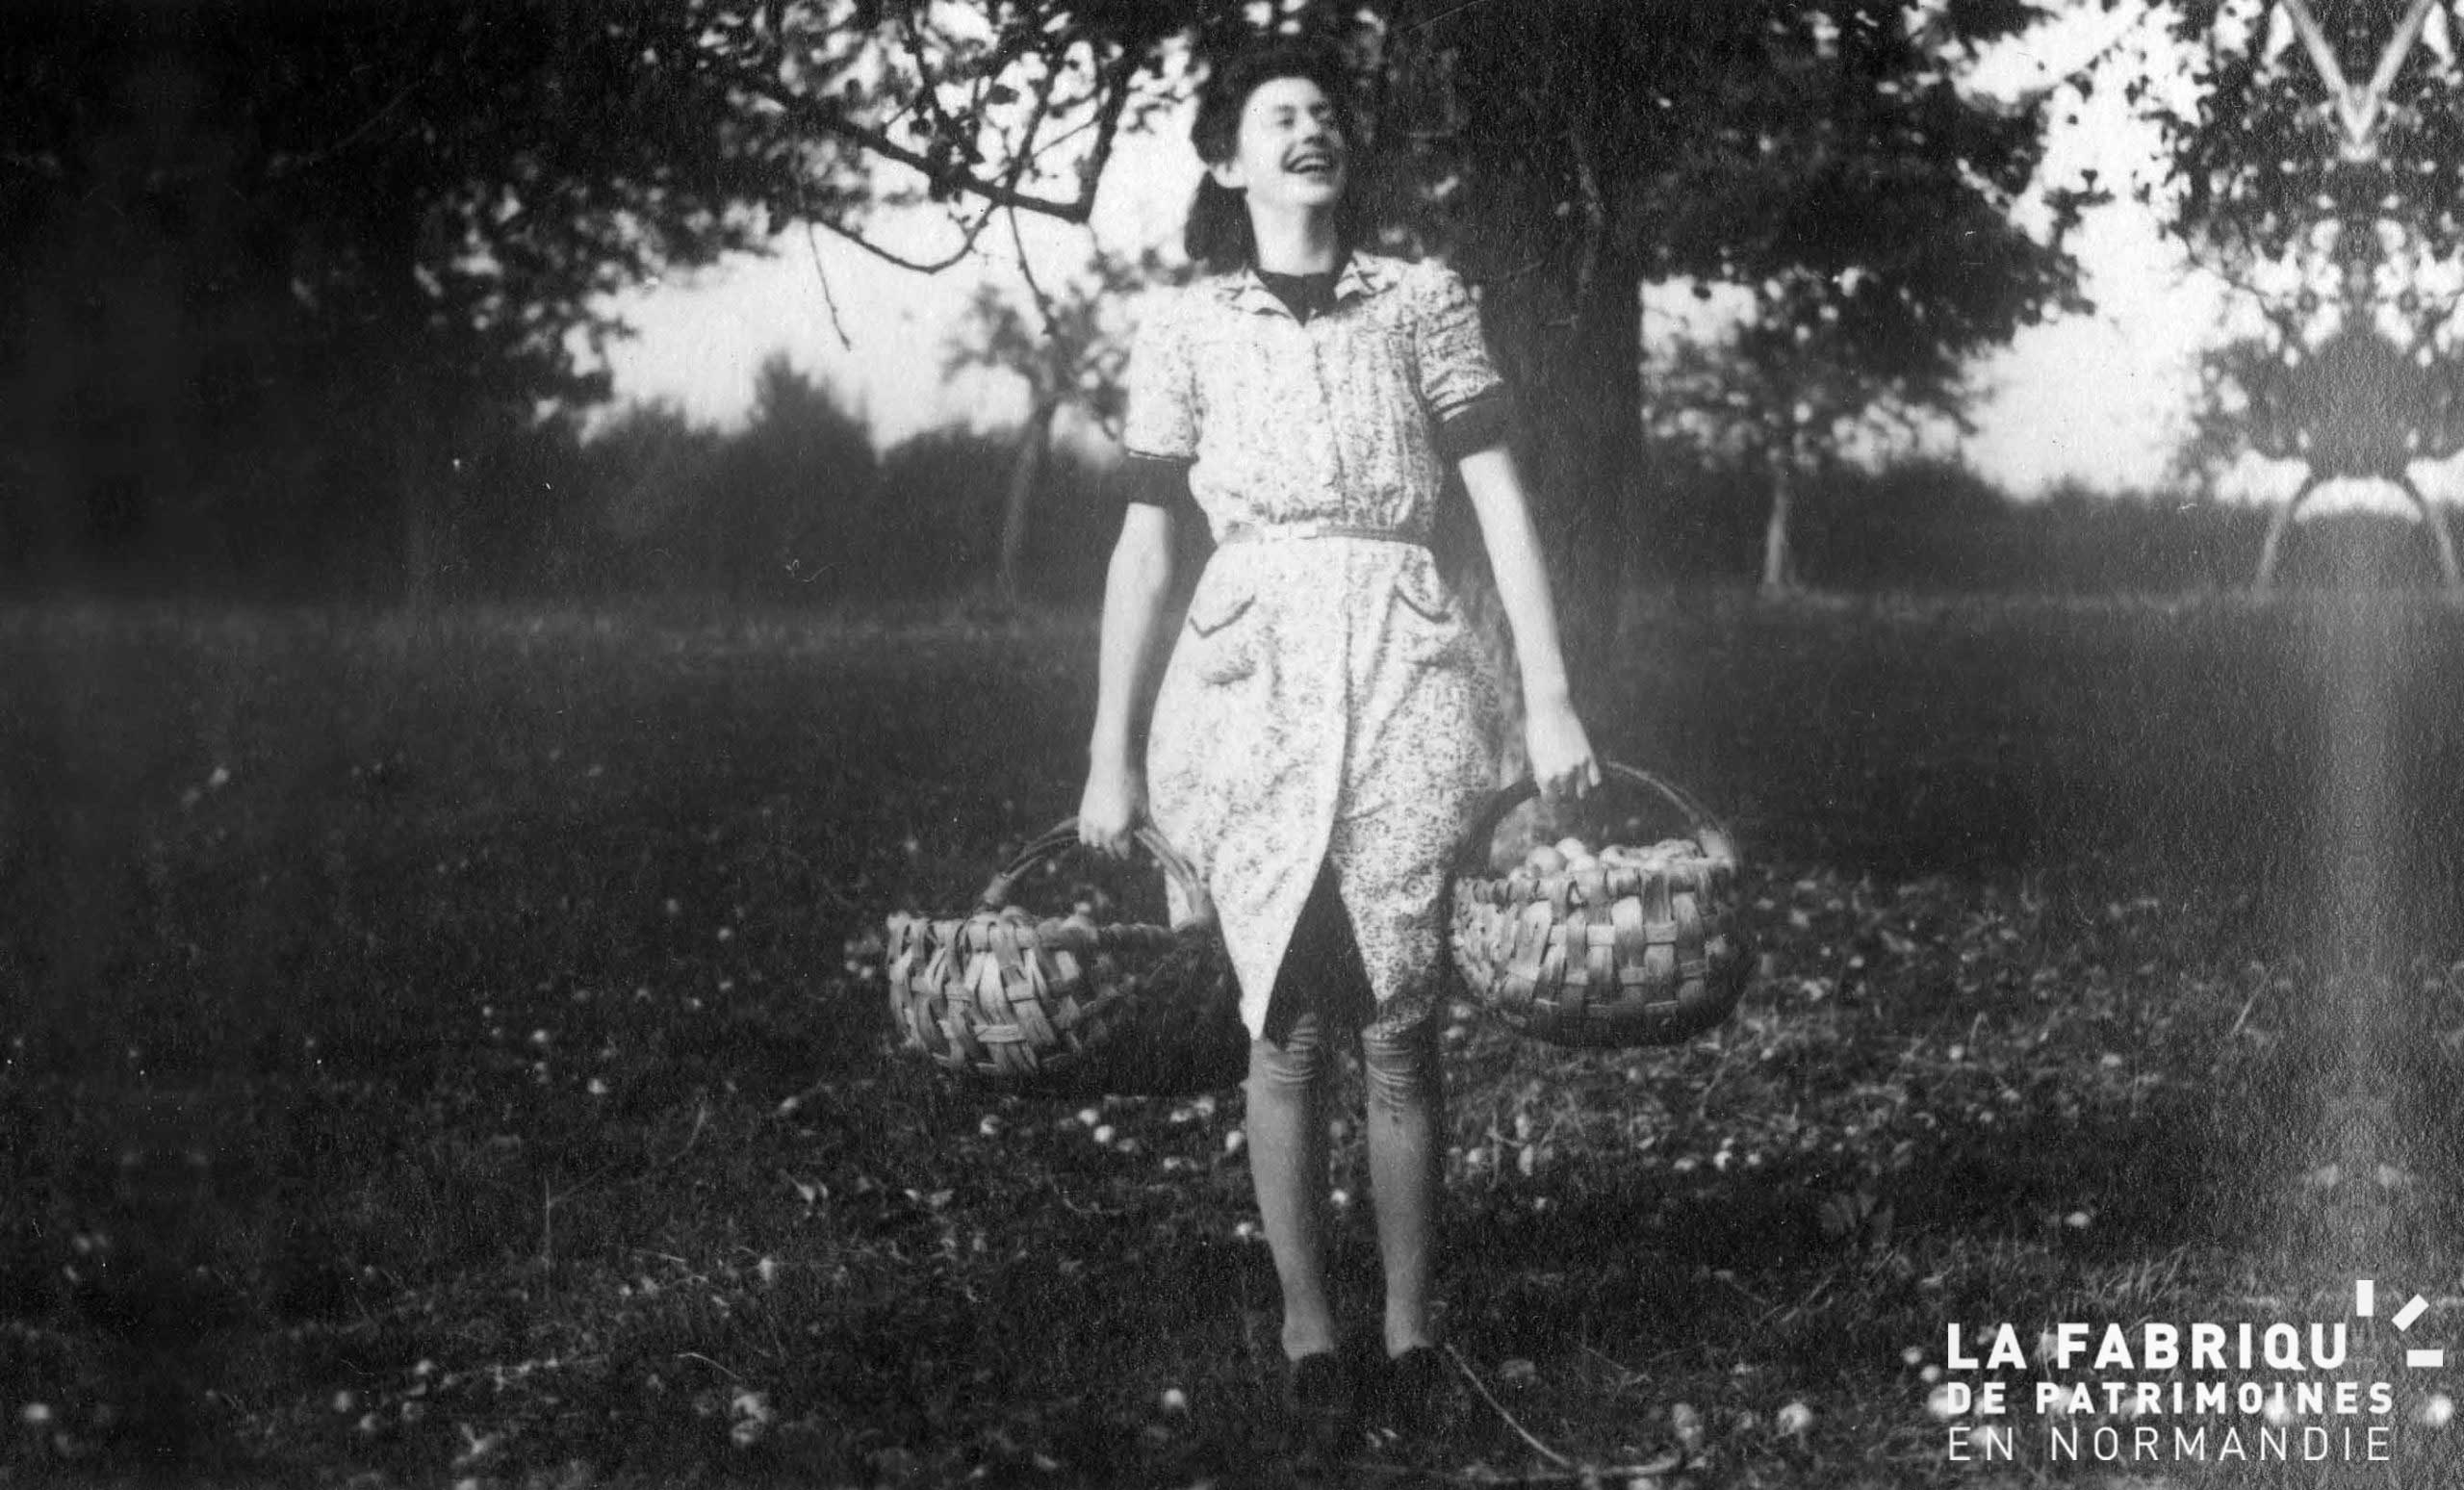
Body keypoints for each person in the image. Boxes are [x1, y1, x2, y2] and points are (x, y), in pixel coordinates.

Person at [1075, 37, 1601, 1454]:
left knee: (1403, 1017)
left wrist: (1547, 697)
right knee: (1287, 1018)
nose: (1310, 131)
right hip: (1243, 686)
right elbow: (1144, 548)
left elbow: (1499, 503)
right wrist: (1109, 752)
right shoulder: (1186, 329)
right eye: (1278, 116)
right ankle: (1312, 1334)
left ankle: (1416, 1333)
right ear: (1228, 160)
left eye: (1325, 113)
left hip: (1407, 670)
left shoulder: (1421, 301)